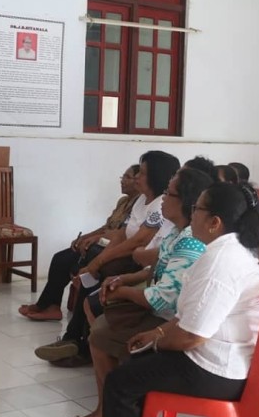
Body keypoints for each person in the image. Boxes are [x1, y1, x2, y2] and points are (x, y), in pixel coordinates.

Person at [94, 183, 259, 417]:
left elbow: (191, 336)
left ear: (215, 222)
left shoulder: (220, 263)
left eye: (198, 208)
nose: (193, 212)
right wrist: (158, 333)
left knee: (121, 382)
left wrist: (157, 342)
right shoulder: (232, 250)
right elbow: (190, 315)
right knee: (135, 361)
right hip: (226, 359)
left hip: (215, 370)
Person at [64, 167, 212, 417]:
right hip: (169, 315)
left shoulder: (190, 241)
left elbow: (162, 299)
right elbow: (157, 268)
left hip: (173, 322)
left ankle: (110, 409)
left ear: (186, 201)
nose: (164, 198)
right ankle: (118, 401)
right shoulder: (177, 231)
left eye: (170, 193)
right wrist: (126, 280)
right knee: (100, 311)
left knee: (100, 333)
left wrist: (122, 292)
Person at [34, 151, 180, 366]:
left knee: (96, 273)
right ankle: (74, 340)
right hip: (128, 257)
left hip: (141, 264)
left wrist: (97, 263)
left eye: (142, 173)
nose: (137, 177)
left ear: (156, 176)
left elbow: (137, 242)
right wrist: (95, 264)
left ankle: (79, 344)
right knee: (89, 268)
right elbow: (121, 235)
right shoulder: (140, 200)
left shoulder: (159, 205)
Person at [18, 165, 140, 321]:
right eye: (122, 177)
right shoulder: (123, 201)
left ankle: (50, 306)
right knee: (59, 257)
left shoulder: (138, 206)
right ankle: (48, 305)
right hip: (99, 243)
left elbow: (121, 234)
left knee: (67, 261)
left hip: (110, 248)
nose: (122, 181)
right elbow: (106, 226)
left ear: (138, 181)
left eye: (127, 177)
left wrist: (95, 239)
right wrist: (85, 237)